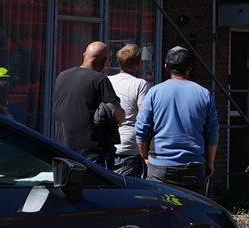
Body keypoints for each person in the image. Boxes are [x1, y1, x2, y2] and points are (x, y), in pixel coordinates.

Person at [136, 46, 220, 195]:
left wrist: (144, 156)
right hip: (194, 167)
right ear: (190, 68)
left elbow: (141, 128)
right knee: (194, 214)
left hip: (160, 168)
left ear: (166, 67)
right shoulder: (204, 94)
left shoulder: (155, 92)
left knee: (161, 214)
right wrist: (210, 163)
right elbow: (212, 133)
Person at [52, 41, 121, 163]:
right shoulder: (100, 80)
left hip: (62, 149)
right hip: (90, 152)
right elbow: (118, 116)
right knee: (95, 182)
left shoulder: (62, 76)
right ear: (105, 62)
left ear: (84, 55)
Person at [109, 43, 150, 177]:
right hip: (129, 146)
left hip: (109, 144)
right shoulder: (140, 84)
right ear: (138, 64)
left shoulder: (107, 80)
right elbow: (143, 116)